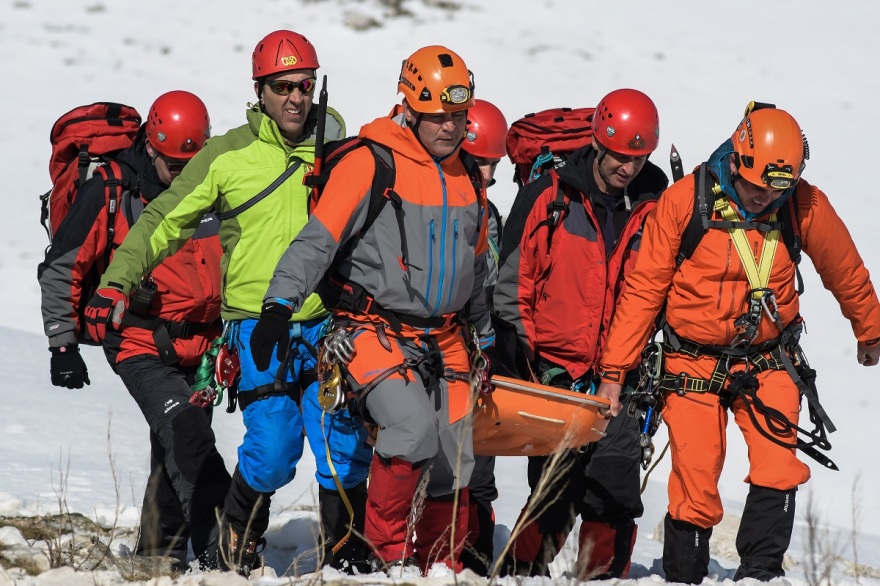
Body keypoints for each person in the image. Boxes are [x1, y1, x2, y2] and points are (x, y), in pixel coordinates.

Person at [84, 30, 373, 576]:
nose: (295, 97)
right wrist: (117, 281)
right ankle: (231, 546)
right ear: (260, 90)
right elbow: (163, 220)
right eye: (283, 86)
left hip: (325, 325)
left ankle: (347, 555)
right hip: (256, 327)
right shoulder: (227, 155)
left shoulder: (336, 148)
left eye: (305, 85)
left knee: (342, 447)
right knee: (272, 451)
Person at [595, 102, 880, 583]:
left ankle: (760, 575)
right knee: (696, 479)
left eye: (777, 191)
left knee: (777, 468)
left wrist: (869, 329)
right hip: (691, 363)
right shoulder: (686, 202)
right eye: (757, 189)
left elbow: (845, 270)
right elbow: (644, 291)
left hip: (771, 361)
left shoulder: (801, 203)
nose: (764, 201)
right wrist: (613, 375)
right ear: (736, 162)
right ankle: (684, 577)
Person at [250, 44, 494, 575]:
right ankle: (385, 560)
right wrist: (278, 304)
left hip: (448, 339)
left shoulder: (468, 176)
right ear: (408, 106)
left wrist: (486, 336)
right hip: (371, 331)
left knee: (456, 460)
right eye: (439, 117)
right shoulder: (369, 161)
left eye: (459, 116)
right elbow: (316, 242)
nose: (451, 128)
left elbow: (475, 270)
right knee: (410, 430)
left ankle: (438, 566)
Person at [38, 90, 231, 570]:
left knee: (177, 445)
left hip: (203, 343)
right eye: (173, 166)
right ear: (150, 147)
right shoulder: (109, 189)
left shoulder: (216, 183)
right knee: (186, 432)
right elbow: (64, 265)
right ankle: (222, 553)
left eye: (194, 163)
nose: (185, 176)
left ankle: (157, 557)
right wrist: (62, 343)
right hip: (138, 340)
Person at [493, 89, 668, 579]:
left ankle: (600, 577)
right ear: (598, 141)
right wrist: (528, 363)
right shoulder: (550, 195)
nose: (628, 168)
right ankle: (521, 573)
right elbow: (513, 285)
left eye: (638, 158)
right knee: (555, 489)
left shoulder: (655, 207)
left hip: (621, 375)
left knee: (614, 489)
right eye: (619, 155)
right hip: (553, 374)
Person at [458, 97, 508, 576]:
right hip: (433, 348)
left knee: (479, 469)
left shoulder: (492, 215)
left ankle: (473, 559)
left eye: (494, 166)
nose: (489, 177)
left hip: (480, 355)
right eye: (481, 164)